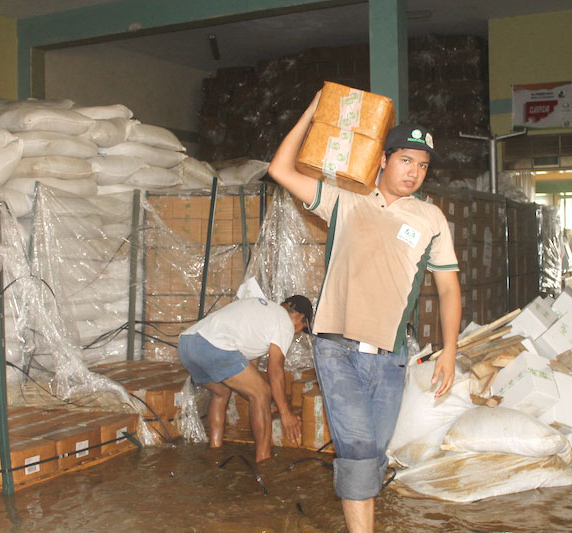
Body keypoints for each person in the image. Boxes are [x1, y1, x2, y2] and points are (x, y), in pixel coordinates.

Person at [268, 91, 461, 533]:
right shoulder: (345, 202)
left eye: (423, 165)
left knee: (373, 454)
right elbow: (280, 169)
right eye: (406, 160)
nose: (414, 172)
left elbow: (448, 288)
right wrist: (314, 111)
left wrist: (450, 350)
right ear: (382, 161)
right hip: (337, 349)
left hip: (390, 356)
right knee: (355, 449)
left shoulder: (431, 218)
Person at [178, 295, 314, 462]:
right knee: (262, 393)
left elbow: (249, 367)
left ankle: (215, 450)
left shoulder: (263, 310)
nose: (298, 332)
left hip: (187, 344)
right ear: (300, 317)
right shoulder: (284, 322)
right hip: (212, 346)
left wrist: (264, 405)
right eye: (302, 327)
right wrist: (285, 413)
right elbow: (275, 370)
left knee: (222, 392)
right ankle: (263, 461)